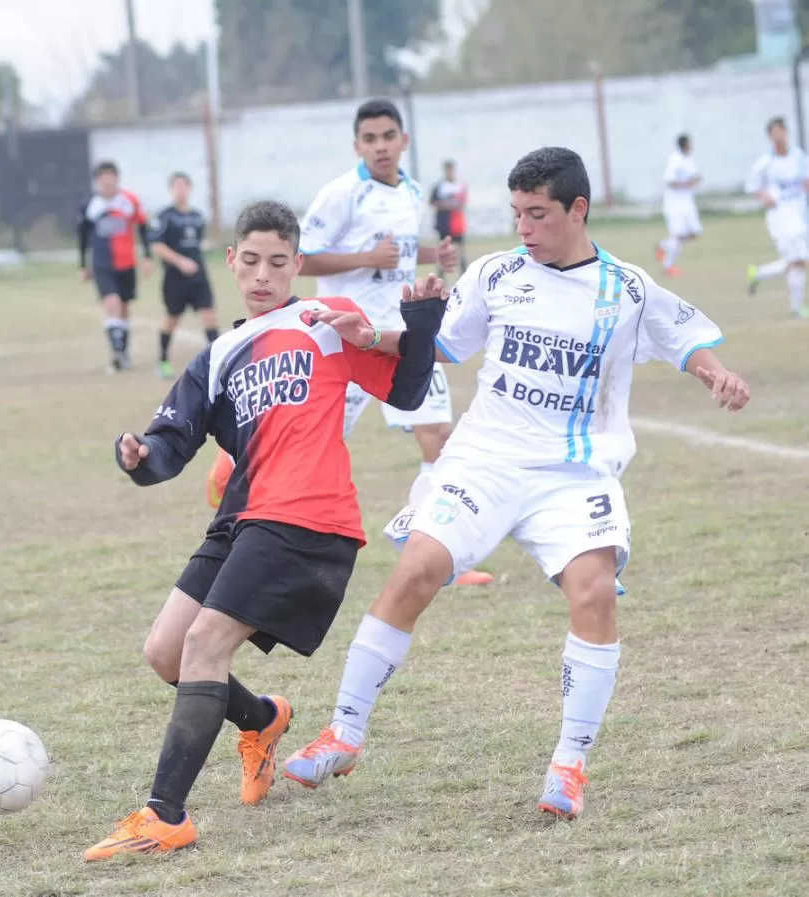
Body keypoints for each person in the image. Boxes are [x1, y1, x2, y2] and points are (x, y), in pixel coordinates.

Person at [284, 147, 751, 820]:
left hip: (573, 471)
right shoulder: (497, 274)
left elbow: (683, 337)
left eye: (539, 214)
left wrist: (713, 372)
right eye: (517, 214)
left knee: (594, 593)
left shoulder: (626, 288)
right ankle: (345, 732)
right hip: (485, 458)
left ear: (577, 209)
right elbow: (439, 344)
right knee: (416, 569)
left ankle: (568, 766)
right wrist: (376, 332)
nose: (525, 228)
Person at [83, 200, 448, 861]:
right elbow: (172, 441)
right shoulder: (219, 354)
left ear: (297, 265)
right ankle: (261, 719)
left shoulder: (328, 323)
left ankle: (165, 815)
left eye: (278, 262)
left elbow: (410, 389)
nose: (262, 275)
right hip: (244, 516)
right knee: (166, 652)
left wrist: (419, 325)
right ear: (232, 261)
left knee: (203, 644)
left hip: (308, 515)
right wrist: (138, 455)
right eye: (249, 261)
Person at [205, 98, 493, 587]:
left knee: (439, 436)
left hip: (399, 337)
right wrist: (366, 258)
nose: (380, 147)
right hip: (344, 338)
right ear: (357, 145)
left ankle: (431, 545)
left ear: (404, 140)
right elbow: (302, 258)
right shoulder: (341, 194)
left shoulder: (412, 191)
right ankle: (232, 472)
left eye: (388, 137)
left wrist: (431, 253)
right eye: (370, 139)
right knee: (294, 441)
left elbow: (394, 253)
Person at [77, 160, 154, 372]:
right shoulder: (90, 205)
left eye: (110, 176)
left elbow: (143, 228)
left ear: (117, 178)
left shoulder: (129, 201)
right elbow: (82, 235)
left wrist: (147, 256)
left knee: (124, 307)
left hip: (126, 263)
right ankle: (117, 355)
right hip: (102, 264)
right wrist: (83, 265)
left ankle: (124, 352)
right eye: (102, 177)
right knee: (112, 303)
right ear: (97, 181)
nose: (107, 181)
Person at [150, 172, 220, 379]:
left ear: (190, 189)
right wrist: (180, 262)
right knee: (171, 319)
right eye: (176, 186)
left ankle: (216, 363)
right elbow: (157, 246)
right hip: (175, 278)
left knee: (209, 316)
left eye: (184, 186)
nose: (180, 190)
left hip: (199, 276)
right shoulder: (164, 216)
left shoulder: (197, 217)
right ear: (171, 190)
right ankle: (163, 360)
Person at [745, 116, 809, 318]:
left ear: (786, 132)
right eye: (774, 133)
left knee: (796, 260)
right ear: (769, 136)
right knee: (799, 260)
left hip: (800, 215)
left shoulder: (798, 156)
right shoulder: (765, 163)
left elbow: (805, 181)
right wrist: (765, 197)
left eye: (781, 131)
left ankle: (760, 273)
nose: (778, 136)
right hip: (780, 218)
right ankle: (796, 308)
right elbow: (752, 187)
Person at [655, 134, 702, 276]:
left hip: (687, 203)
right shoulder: (675, 160)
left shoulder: (688, 159)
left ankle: (663, 246)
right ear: (685, 145)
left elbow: (691, 178)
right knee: (677, 236)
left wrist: (695, 180)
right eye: (690, 144)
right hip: (675, 204)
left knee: (695, 232)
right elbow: (669, 181)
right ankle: (668, 267)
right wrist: (688, 183)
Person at [431, 158, 469, 274]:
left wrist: (455, 205)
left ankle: (464, 278)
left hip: (457, 223)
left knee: (460, 253)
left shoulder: (460, 185)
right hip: (444, 223)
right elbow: (432, 202)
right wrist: (446, 205)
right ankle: (440, 279)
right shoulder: (439, 186)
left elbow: (463, 202)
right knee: (443, 252)